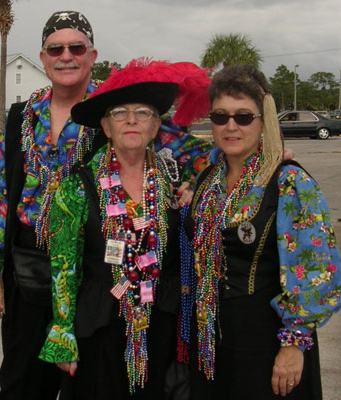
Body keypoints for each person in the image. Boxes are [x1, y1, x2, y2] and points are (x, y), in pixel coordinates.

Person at [0, 11, 212, 398]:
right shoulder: (22, 117)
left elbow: (197, 153)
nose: (66, 55)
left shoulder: (115, 108)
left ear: (92, 55)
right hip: (28, 272)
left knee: (92, 383)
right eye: (55, 48)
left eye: (76, 47)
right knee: (21, 383)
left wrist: (233, 168)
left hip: (97, 281)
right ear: (43, 58)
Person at [38, 59, 211, 399]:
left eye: (143, 112)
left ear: (155, 126)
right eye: (119, 112)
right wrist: (61, 334)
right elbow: (62, 267)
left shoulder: (174, 181)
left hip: (160, 329)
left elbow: (233, 156)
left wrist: (273, 157)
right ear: (105, 126)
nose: (131, 120)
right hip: (98, 330)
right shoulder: (75, 187)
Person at [178, 65, 341, 399]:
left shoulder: (288, 183)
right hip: (210, 341)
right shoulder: (207, 180)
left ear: (264, 120)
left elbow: (316, 270)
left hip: (267, 342)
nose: (231, 126)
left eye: (243, 117)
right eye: (220, 116)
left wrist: (294, 345)